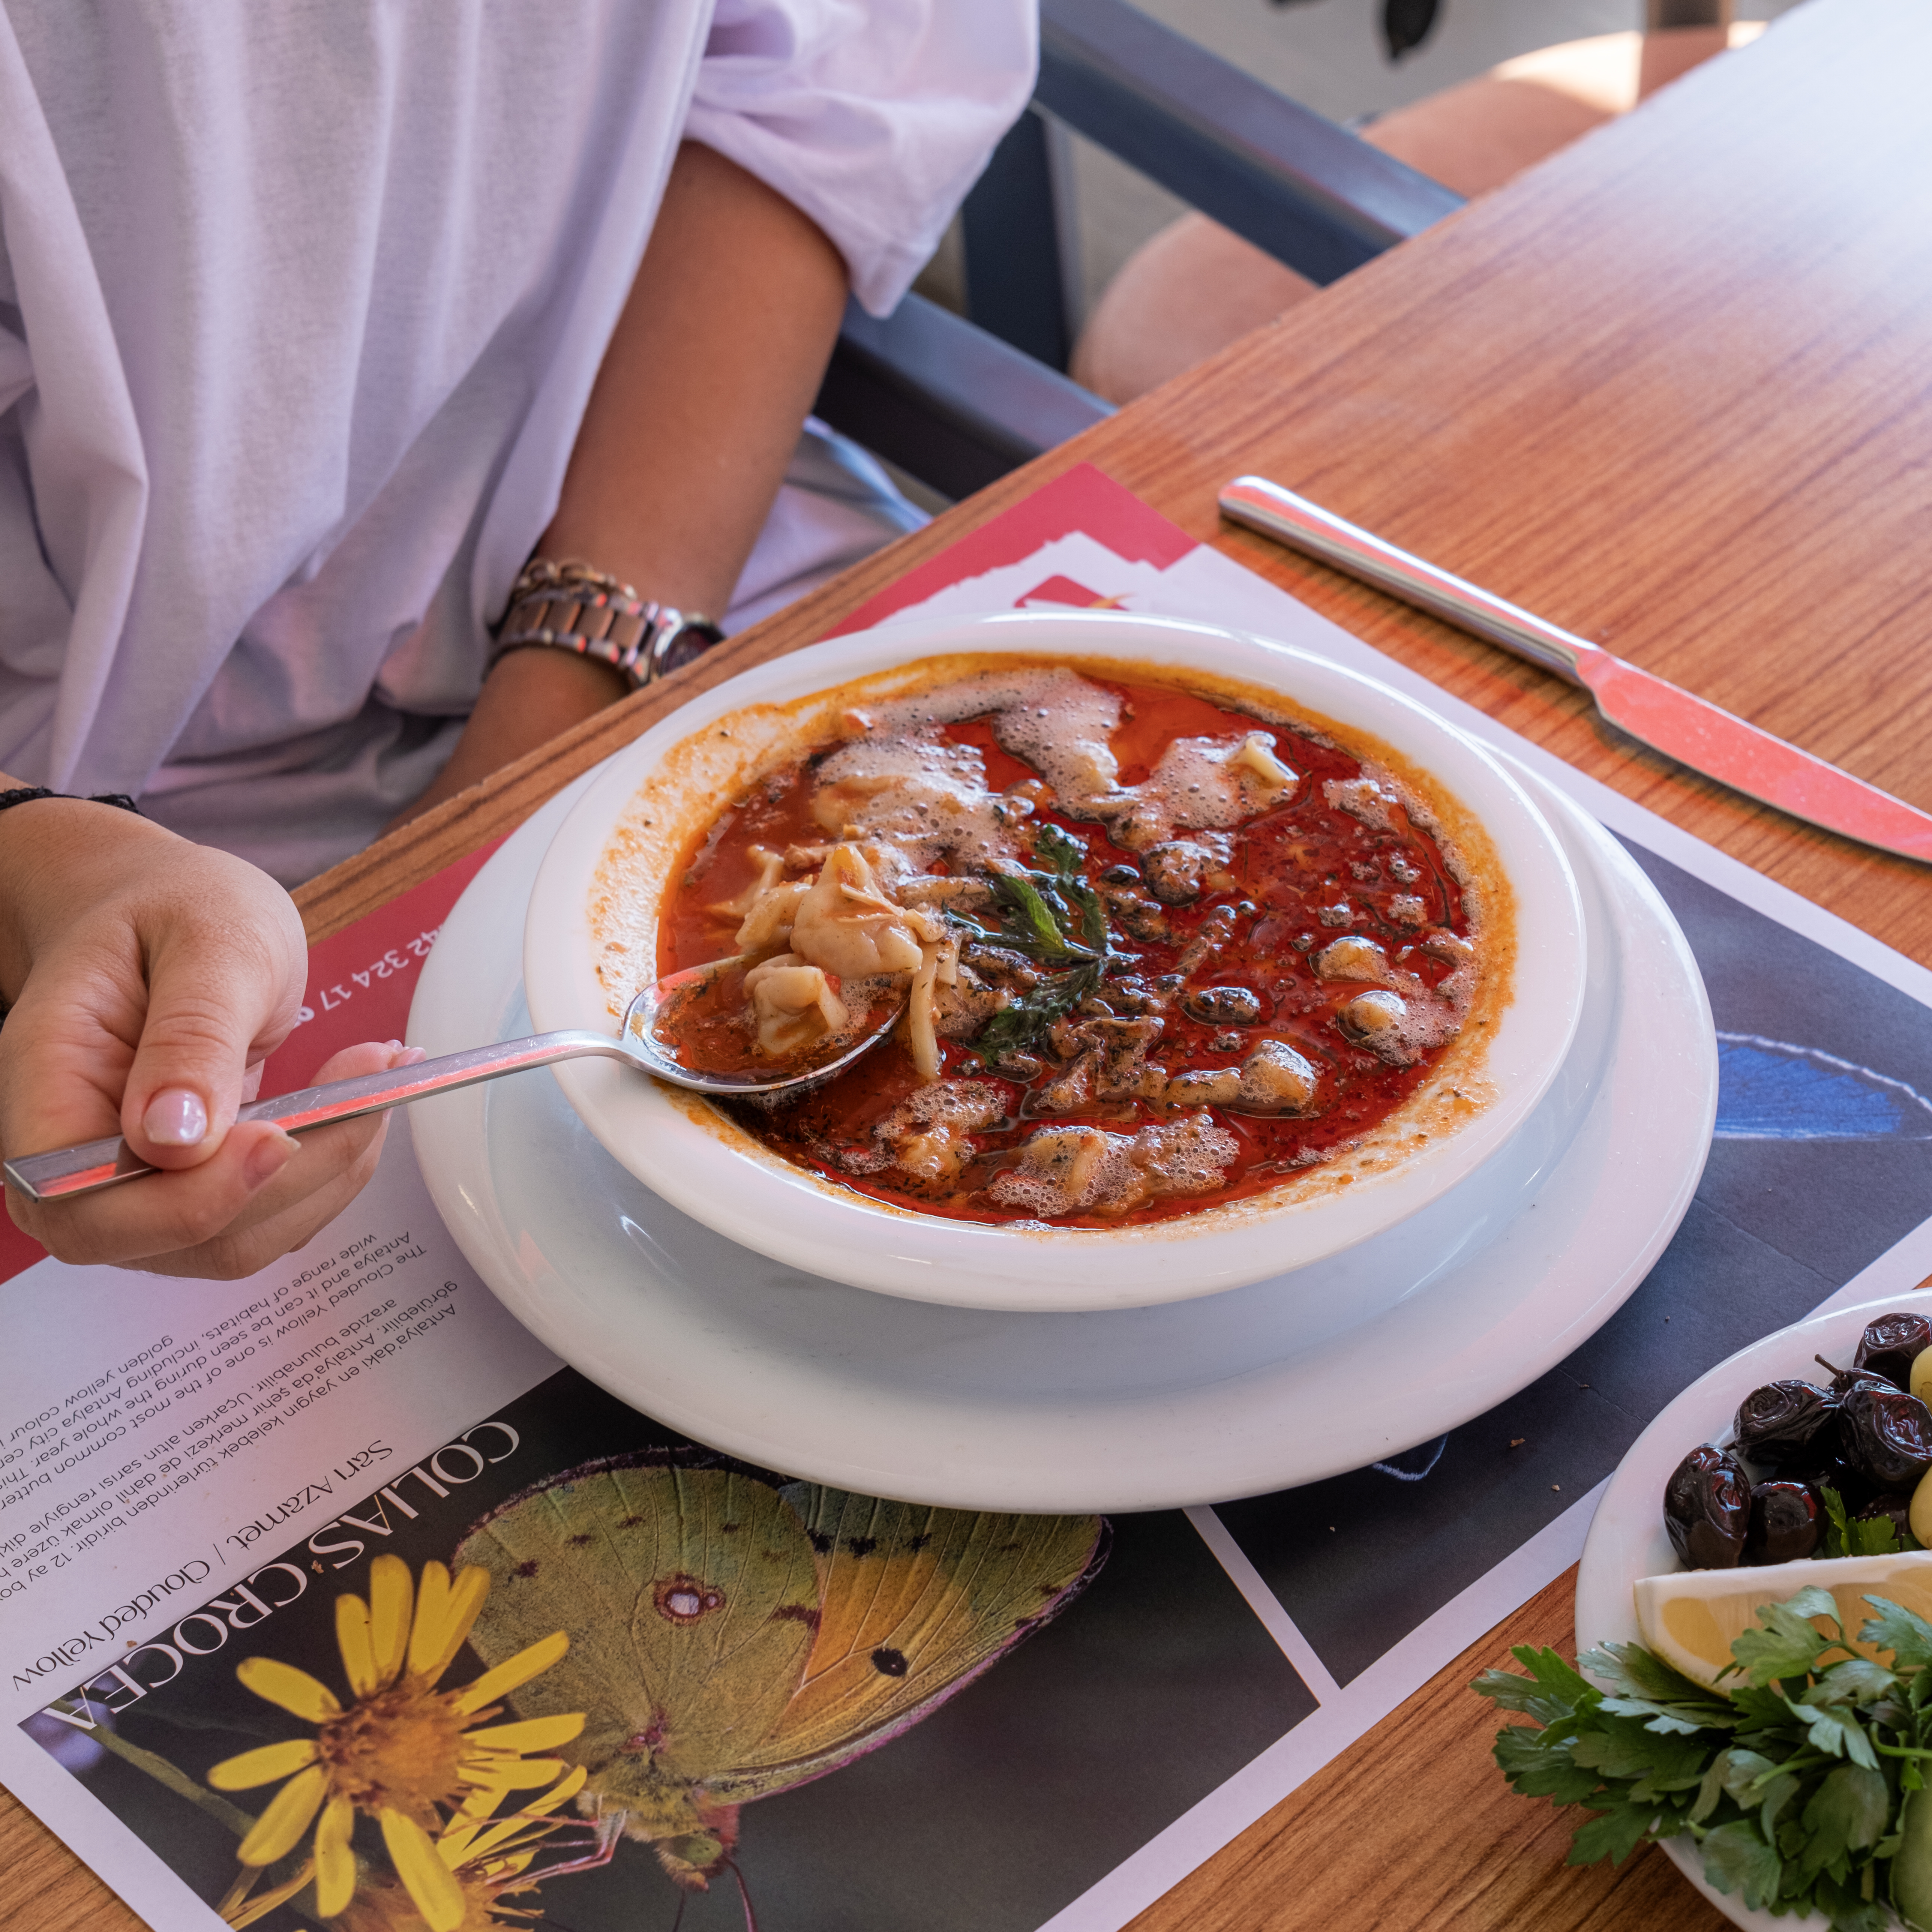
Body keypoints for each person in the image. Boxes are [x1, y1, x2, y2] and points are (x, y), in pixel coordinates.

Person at [0, 1, 1034, 1278]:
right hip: (95, 839)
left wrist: (553, 701)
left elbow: (819, 93)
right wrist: (37, 861)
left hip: (666, 533)